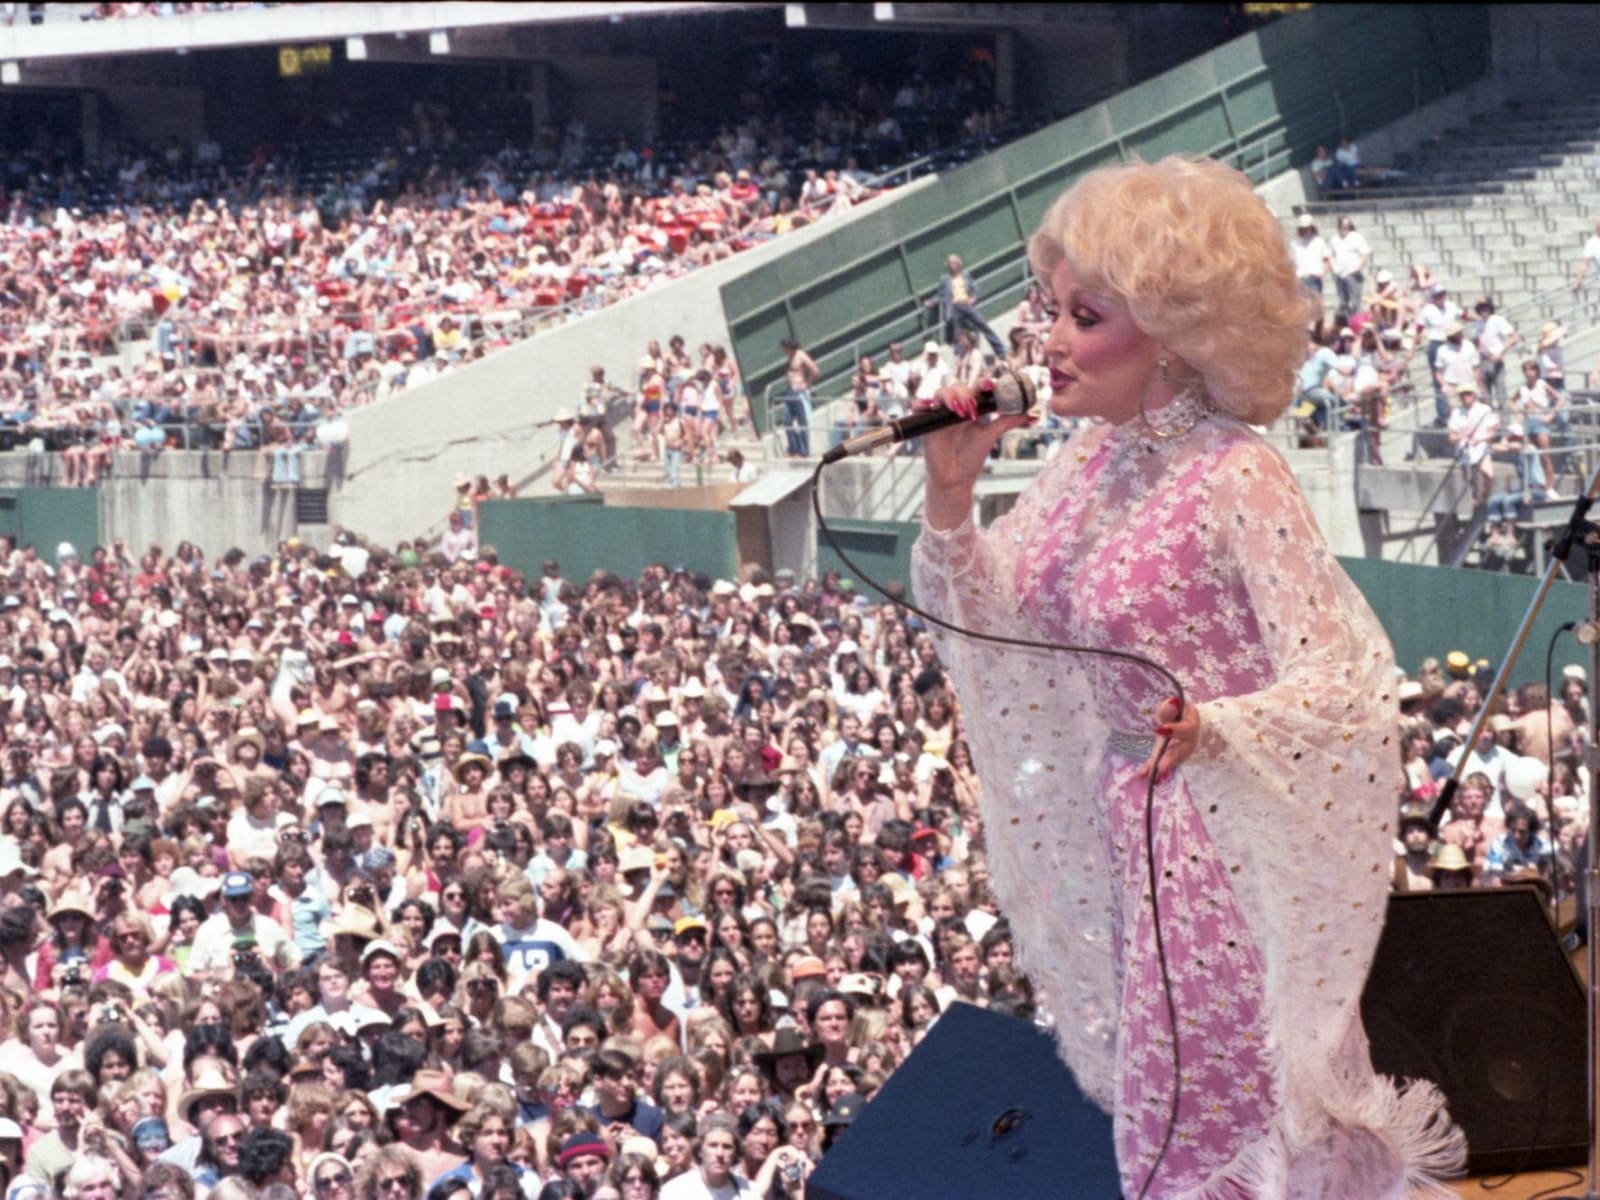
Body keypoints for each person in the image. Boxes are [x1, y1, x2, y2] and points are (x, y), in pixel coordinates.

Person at [909, 156, 1462, 1197]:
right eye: (1050, 313)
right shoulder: (1087, 466)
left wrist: (1214, 728)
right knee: (1167, 1101)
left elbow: (1341, 676)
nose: (1051, 344)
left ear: (1169, 334)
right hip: (1136, 835)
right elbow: (995, 625)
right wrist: (950, 494)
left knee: (1236, 1104)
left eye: (1085, 316)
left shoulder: (1235, 472)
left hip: (1230, 844)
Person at [925, 254, 1005, 358]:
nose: (951, 265)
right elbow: (940, 294)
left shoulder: (965, 275)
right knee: (957, 334)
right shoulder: (944, 279)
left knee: (983, 325)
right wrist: (931, 301)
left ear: (958, 265)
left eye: (953, 263)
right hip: (954, 307)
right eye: (949, 263)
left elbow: (974, 288)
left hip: (966, 305)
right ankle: (960, 356)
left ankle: (1000, 350)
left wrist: (973, 298)